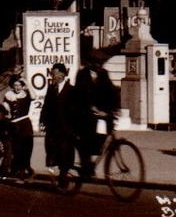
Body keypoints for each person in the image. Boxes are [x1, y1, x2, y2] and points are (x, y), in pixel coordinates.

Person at [72, 51, 121, 180]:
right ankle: (86, 164)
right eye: (97, 63)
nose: (100, 65)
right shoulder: (82, 74)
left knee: (104, 136)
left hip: (101, 113)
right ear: (90, 63)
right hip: (85, 112)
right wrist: (92, 108)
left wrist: (115, 107)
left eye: (101, 63)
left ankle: (90, 162)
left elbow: (111, 91)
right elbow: (81, 95)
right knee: (86, 138)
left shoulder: (104, 74)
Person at [40, 62, 77, 188]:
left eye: (54, 73)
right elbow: (46, 106)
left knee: (65, 151)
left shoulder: (71, 90)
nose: (52, 76)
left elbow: (74, 110)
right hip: (53, 127)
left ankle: (63, 175)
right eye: (52, 73)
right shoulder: (51, 88)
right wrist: (42, 121)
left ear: (62, 74)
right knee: (52, 150)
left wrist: (72, 127)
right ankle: (59, 173)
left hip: (66, 128)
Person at [2, 75, 34, 178]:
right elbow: (5, 108)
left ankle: (25, 169)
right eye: (15, 85)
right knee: (17, 148)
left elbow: (34, 97)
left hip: (25, 124)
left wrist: (27, 83)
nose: (17, 87)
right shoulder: (8, 95)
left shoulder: (26, 94)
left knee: (27, 147)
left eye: (19, 85)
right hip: (14, 125)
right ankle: (19, 170)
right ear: (12, 86)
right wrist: (7, 112)